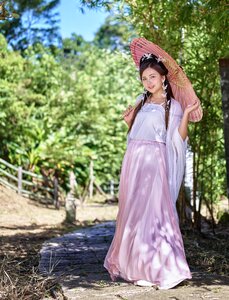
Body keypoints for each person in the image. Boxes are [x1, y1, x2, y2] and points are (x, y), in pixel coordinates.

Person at [104, 38, 201, 290]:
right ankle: (137, 266)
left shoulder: (174, 105)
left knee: (157, 214)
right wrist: (129, 121)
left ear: (163, 78)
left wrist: (187, 115)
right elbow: (136, 133)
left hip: (156, 163)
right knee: (134, 213)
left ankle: (163, 267)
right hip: (134, 160)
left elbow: (177, 140)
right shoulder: (141, 100)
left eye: (152, 77)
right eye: (144, 78)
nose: (148, 82)